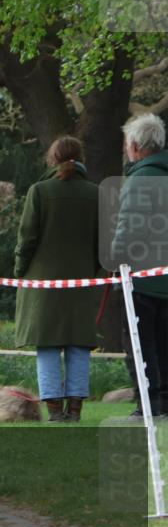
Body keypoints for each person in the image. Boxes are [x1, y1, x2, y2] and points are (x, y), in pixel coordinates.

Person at [13, 136, 101, 422]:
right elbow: (105, 244)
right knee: (79, 345)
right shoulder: (97, 193)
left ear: (52, 159)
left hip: (44, 284)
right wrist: (95, 274)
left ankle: (54, 412)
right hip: (83, 283)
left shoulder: (39, 191)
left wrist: (19, 270)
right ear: (80, 158)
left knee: (47, 345)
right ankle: (74, 411)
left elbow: (27, 238)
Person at [112, 113, 168, 417]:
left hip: (143, 279)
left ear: (134, 145)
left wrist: (114, 259)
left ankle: (147, 404)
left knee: (139, 345)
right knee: (163, 344)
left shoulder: (140, 179)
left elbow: (130, 229)